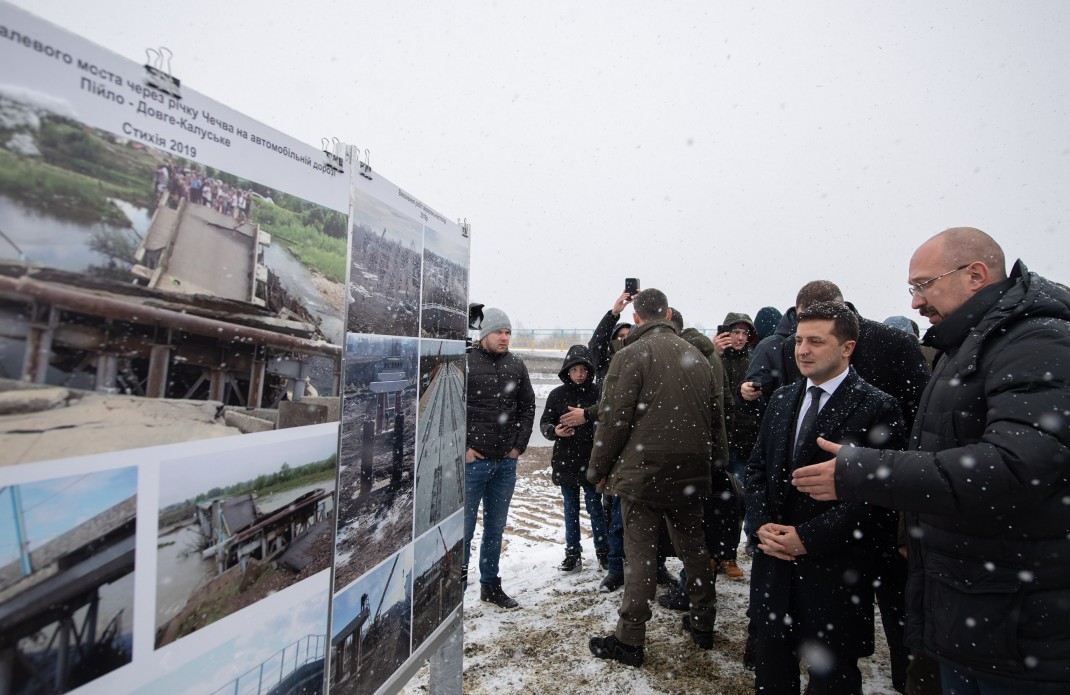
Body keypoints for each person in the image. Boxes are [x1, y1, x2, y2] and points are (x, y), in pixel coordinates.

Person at [793, 227, 1070, 695]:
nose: (916, 302)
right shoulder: (966, 344)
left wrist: (866, 471)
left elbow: (1014, 467)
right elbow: (938, 449)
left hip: (1017, 616)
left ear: (975, 275)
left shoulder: (1036, 342)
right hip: (971, 592)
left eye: (923, 285)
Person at [740, 279, 929, 691]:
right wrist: (761, 524)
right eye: (798, 340)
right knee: (771, 675)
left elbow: (880, 498)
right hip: (774, 569)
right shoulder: (782, 399)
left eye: (816, 341)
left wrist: (807, 538)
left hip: (834, 574)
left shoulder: (877, 406)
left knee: (833, 680)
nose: (802, 350)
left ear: (847, 348)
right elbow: (756, 471)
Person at [587, 288, 719, 667]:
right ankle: (703, 622)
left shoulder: (631, 355)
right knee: (694, 548)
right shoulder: (699, 356)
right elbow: (715, 418)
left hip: (644, 474)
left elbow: (614, 420)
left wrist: (598, 469)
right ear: (668, 314)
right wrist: (711, 465)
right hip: (691, 471)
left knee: (640, 554)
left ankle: (629, 639)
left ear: (638, 318)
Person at [465, 307, 535, 610]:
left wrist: (518, 447)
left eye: (507, 332)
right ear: (484, 334)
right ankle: (454, 591)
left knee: (495, 529)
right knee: (463, 531)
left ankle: (490, 586)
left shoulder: (516, 365)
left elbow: (527, 408)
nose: (504, 337)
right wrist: (463, 448)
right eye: (498, 332)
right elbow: (452, 406)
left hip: (505, 464)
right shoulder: (465, 363)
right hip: (472, 464)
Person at [539, 344, 608, 573]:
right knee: (570, 510)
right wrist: (555, 431)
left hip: (591, 460)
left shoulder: (598, 393)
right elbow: (545, 423)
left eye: (584, 369)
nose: (579, 374)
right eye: (575, 369)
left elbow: (606, 423)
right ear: (567, 371)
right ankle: (572, 554)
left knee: (595, 508)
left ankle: (603, 551)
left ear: (590, 371)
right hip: (565, 460)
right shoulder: (557, 395)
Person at [713, 312, 761, 580]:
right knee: (714, 500)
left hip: (744, 441)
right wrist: (713, 353)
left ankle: (728, 554)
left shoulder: (754, 360)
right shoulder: (713, 357)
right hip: (717, 442)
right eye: (735, 332)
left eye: (745, 333)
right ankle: (713, 553)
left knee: (738, 501)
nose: (740, 338)